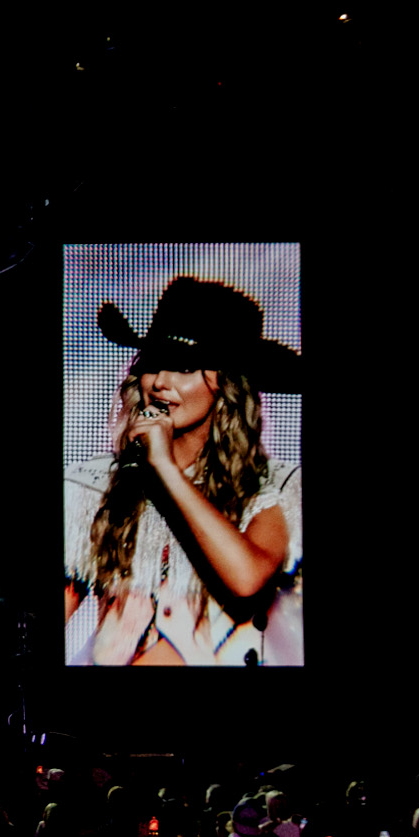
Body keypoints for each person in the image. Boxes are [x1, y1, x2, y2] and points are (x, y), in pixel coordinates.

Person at [64, 276, 302, 666]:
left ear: (226, 383)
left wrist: (167, 470)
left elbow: (247, 579)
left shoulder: (269, 487)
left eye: (184, 367)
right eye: (153, 363)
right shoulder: (94, 485)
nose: (160, 382)